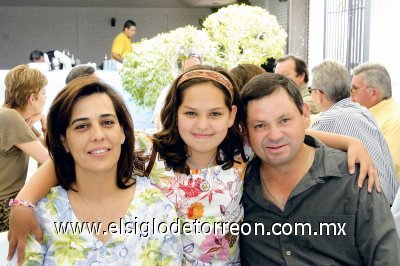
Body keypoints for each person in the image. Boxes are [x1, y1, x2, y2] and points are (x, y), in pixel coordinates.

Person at [8, 66, 379, 264]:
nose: (203, 125)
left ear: (232, 115)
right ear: (175, 113)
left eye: (215, 114)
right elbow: (74, 158)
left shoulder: (240, 152)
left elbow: (291, 137)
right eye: (191, 113)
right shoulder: (148, 150)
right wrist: (25, 201)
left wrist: (350, 142)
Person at [18, 76, 182, 264]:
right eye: (82, 126)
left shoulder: (156, 209)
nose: (97, 135)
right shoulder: (41, 214)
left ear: (122, 132)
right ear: (64, 141)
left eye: (107, 123)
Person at [240, 73, 400, 265]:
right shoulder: (235, 185)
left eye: (285, 120)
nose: (274, 135)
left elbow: (387, 258)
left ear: (306, 115)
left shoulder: (352, 179)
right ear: (245, 131)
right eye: (260, 125)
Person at [310, 60, 398, 204]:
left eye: (310, 90)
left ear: (319, 94)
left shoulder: (330, 118)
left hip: (372, 212)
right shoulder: (363, 111)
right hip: (389, 206)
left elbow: (297, 139)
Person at [0, 65, 50, 232]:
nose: (46, 98)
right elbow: (49, 161)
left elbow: (49, 150)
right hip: (5, 207)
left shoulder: (12, 116)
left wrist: (43, 122)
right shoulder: (9, 117)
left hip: (10, 201)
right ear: (32, 99)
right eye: (43, 93)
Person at [351, 62, 400, 183]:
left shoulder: (395, 123)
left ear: (373, 93)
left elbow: (385, 172)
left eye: (354, 89)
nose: (350, 96)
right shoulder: (367, 116)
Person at [152, 51, 202, 131]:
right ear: (180, 72)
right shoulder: (169, 91)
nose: (194, 73)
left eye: (198, 68)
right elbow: (158, 122)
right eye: (189, 70)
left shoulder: (212, 91)